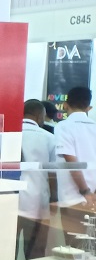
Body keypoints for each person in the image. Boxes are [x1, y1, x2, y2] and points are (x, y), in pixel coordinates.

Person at [54, 86, 96, 247]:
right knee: (91, 250)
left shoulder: (63, 126)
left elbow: (71, 161)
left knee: (73, 249)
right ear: (88, 107)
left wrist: (85, 191)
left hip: (73, 199)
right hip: (93, 198)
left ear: (65, 105)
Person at [19, 99, 57, 259]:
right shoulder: (49, 138)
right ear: (40, 116)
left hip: (11, 201)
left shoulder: (12, 133)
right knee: (35, 252)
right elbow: (53, 173)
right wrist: (54, 200)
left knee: (7, 250)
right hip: (37, 203)